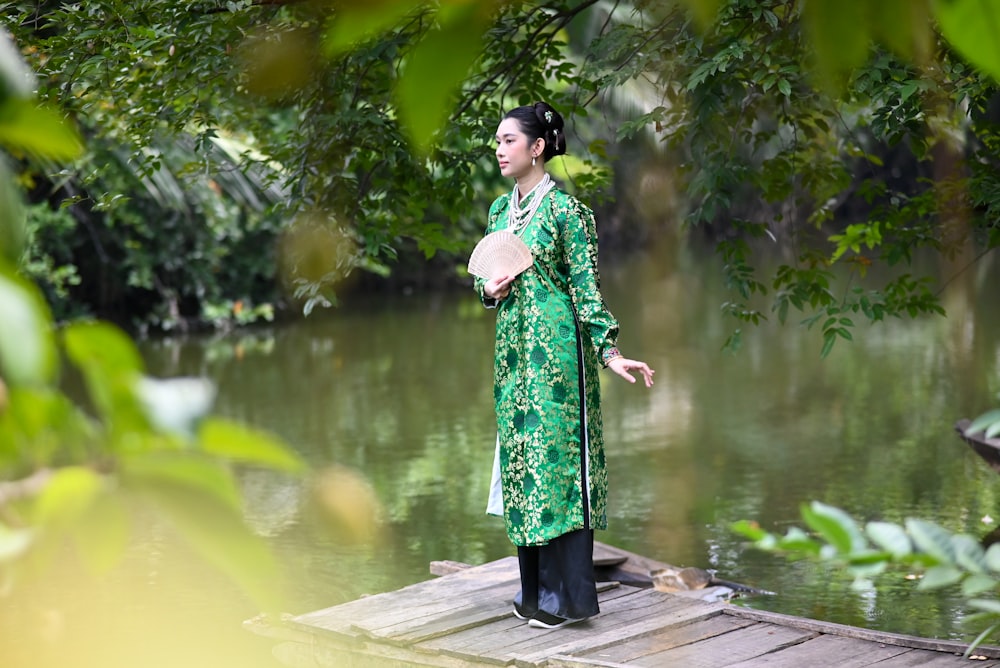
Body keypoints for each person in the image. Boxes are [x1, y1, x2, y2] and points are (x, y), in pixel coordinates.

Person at [474, 101, 655, 629]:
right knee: (523, 468)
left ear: (537, 148)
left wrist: (611, 352)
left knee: (559, 472)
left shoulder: (568, 214)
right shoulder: (497, 215)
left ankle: (566, 601)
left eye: (509, 140)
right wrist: (488, 289)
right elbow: (485, 284)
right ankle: (532, 596)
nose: (500, 149)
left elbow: (586, 293)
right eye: (498, 140)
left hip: (558, 361)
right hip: (512, 362)